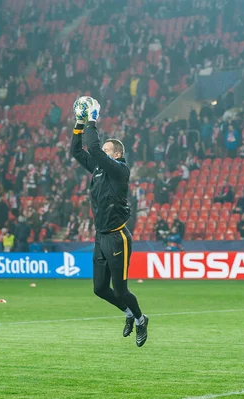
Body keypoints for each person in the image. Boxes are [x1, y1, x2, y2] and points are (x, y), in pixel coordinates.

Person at [71, 97, 148, 347]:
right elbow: (76, 151)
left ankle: (140, 318)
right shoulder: (99, 167)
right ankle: (127, 313)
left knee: (121, 290)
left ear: (116, 154)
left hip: (117, 236)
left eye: (107, 151)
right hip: (100, 236)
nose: (101, 153)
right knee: (100, 289)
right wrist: (79, 124)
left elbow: (93, 149)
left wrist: (92, 119)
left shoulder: (119, 169)